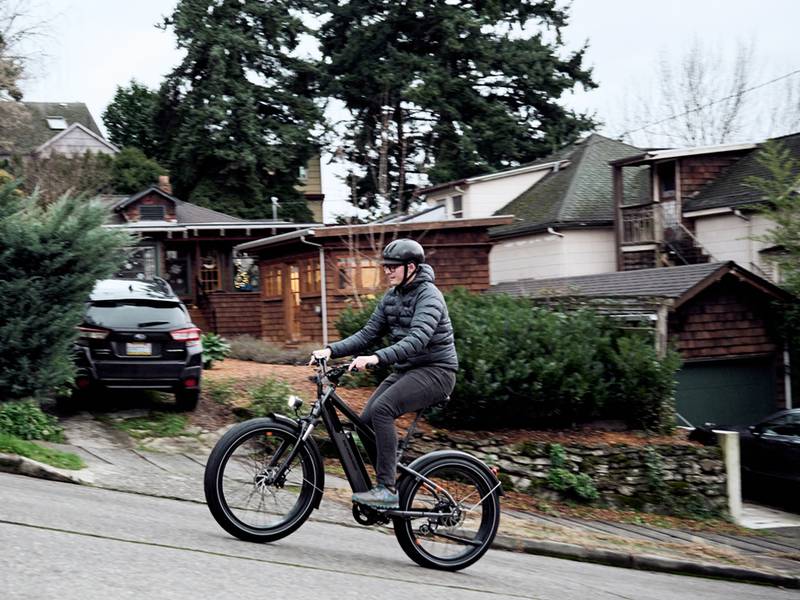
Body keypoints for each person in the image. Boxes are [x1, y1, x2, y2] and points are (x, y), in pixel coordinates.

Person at [310, 239, 458, 509]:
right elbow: (368, 334)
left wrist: (376, 358)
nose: (387, 271)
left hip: (437, 371)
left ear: (410, 267)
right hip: (408, 370)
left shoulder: (429, 296)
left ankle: (386, 489)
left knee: (383, 410)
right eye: (386, 266)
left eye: (393, 267)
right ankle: (389, 475)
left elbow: (417, 340)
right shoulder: (392, 297)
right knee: (364, 421)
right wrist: (331, 351)